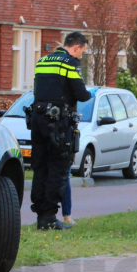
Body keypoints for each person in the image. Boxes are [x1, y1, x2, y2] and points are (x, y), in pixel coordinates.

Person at [30, 32, 92, 231]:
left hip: (37, 120)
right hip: (58, 123)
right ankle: (49, 217)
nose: (81, 56)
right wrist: (88, 93)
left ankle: (40, 214)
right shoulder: (69, 63)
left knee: (40, 168)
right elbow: (81, 94)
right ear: (76, 47)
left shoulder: (42, 61)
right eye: (82, 52)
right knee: (57, 169)